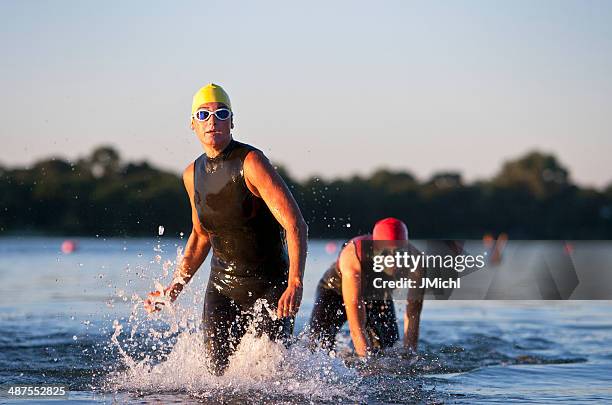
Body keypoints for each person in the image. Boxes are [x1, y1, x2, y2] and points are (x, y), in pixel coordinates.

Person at [144, 83, 308, 375]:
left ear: (232, 121)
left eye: (221, 113)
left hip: (269, 287)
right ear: (192, 124)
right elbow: (200, 236)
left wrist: (295, 282)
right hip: (222, 288)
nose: (213, 121)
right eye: (203, 115)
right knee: (216, 377)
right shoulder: (191, 174)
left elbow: (295, 224)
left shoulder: (252, 163)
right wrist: (175, 288)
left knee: (267, 380)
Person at [309, 218, 425, 357]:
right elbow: (356, 326)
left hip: (377, 294)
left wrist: (409, 356)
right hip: (335, 291)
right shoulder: (353, 256)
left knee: (388, 353)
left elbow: (413, 313)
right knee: (317, 347)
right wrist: (367, 364)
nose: (393, 260)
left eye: (399, 252)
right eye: (387, 253)